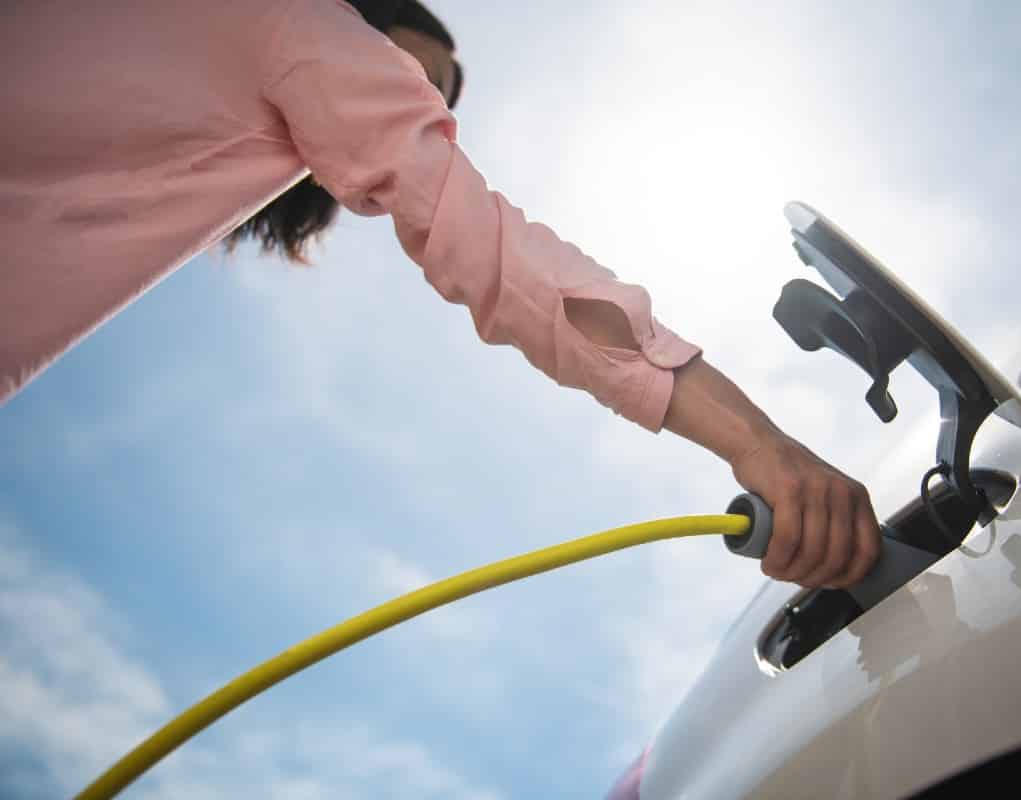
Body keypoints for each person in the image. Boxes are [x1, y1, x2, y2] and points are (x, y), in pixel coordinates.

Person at [0, 0, 880, 589]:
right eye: (405, 79)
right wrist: (762, 445)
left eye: (430, 101)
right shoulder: (303, 24)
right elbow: (501, 261)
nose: (406, 105)